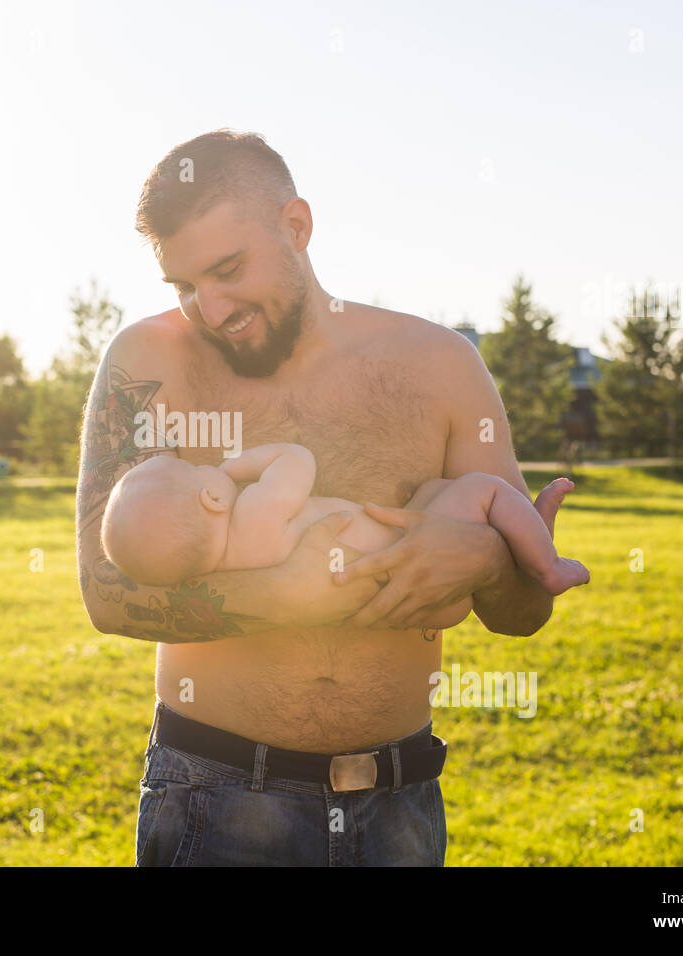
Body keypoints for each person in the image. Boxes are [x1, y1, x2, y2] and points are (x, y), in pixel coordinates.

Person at [76, 129, 561, 866]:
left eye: (228, 269)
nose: (208, 306)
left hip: (399, 804)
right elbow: (106, 593)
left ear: (296, 226)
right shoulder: (147, 363)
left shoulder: (441, 366)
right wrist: (297, 591)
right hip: (215, 797)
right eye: (183, 285)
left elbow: (525, 610)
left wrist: (489, 566)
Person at [99, 442, 590, 605]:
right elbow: (298, 461)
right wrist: (241, 465)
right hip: (406, 541)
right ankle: (545, 562)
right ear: (210, 497)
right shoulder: (254, 513)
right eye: (197, 470)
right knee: (483, 489)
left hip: (386, 558)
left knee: (435, 494)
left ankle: (533, 543)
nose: (207, 467)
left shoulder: (227, 565)